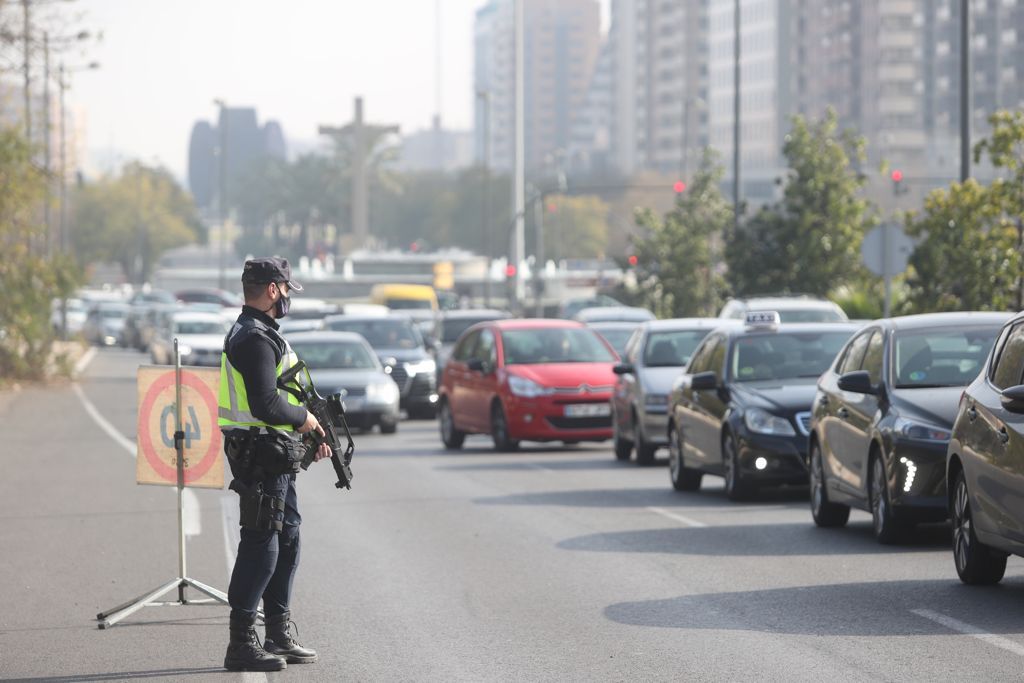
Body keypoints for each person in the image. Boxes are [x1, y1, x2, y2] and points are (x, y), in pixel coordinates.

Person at [217, 257, 331, 672]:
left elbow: (280, 397)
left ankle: (277, 633)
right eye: (285, 290)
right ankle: (241, 642)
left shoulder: (261, 333)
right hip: (259, 455)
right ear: (271, 289)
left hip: (276, 452)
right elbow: (265, 401)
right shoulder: (253, 339)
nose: (287, 297)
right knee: (261, 545)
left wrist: (308, 434)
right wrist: (305, 419)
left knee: (287, 540)